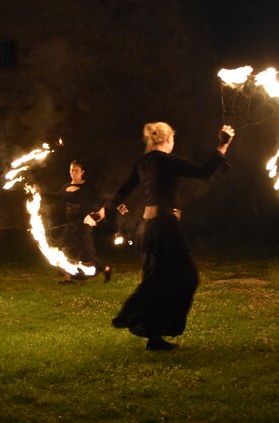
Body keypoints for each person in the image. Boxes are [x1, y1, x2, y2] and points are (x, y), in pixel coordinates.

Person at [86, 122, 235, 351]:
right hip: (165, 227)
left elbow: (123, 191)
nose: (173, 143)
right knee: (186, 275)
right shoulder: (169, 161)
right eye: (172, 139)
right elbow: (204, 171)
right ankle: (130, 313)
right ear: (167, 139)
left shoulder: (143, 163)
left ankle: (154, 338)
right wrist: (222, 146)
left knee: (158, 278)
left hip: (147, 228)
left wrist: (103, 211)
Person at [48, 160, 111, 284]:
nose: (73, 173)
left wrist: (97, 215)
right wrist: (37, 192)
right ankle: (68, 278)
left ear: (82, 172)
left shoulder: (88, 187)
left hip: (83, 224)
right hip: (69, 223)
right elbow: (56, 196)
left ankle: (106, 268)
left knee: (87, 253)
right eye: (71, 170)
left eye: (76, 170)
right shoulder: (66, 186)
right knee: (64, 249)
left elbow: (101, 201)